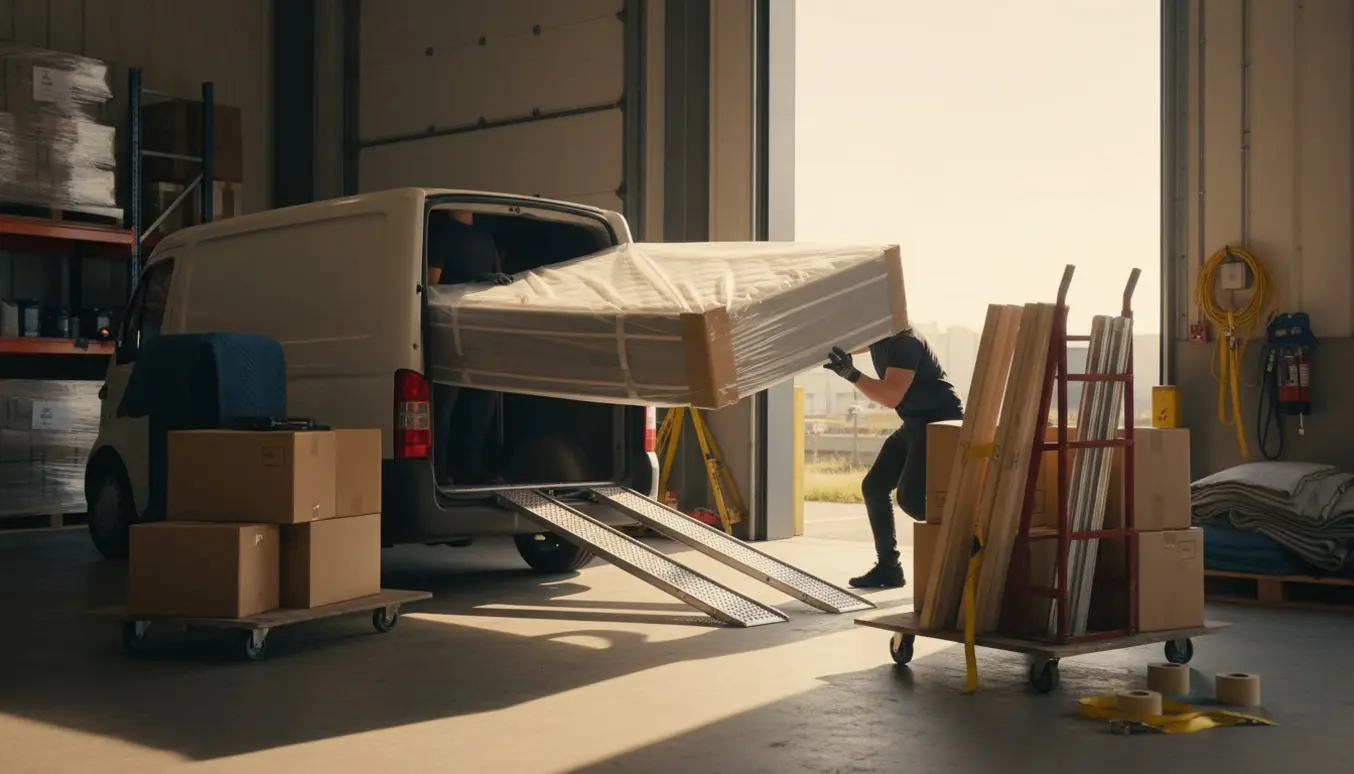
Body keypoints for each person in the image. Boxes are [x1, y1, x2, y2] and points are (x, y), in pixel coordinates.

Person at [822, 330, 964, 588]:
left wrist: (852, 374)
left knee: (911, 501)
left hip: (939, 423)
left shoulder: (904, 342)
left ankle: (968, 540)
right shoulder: (880, 338)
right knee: (874, 487)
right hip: (914, 422)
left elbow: (890, 397)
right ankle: (889, 568)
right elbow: (852, 344)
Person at [428, 210, 513, 486]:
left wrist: (491, 281)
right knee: (443, 410)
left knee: (480, 405)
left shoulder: (485, 238)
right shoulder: (440, 237)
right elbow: (431, 287)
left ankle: (469, 467)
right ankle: (438, 472)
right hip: (448, 337)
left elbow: (503, 283)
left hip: (479, 336)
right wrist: (470, 284)